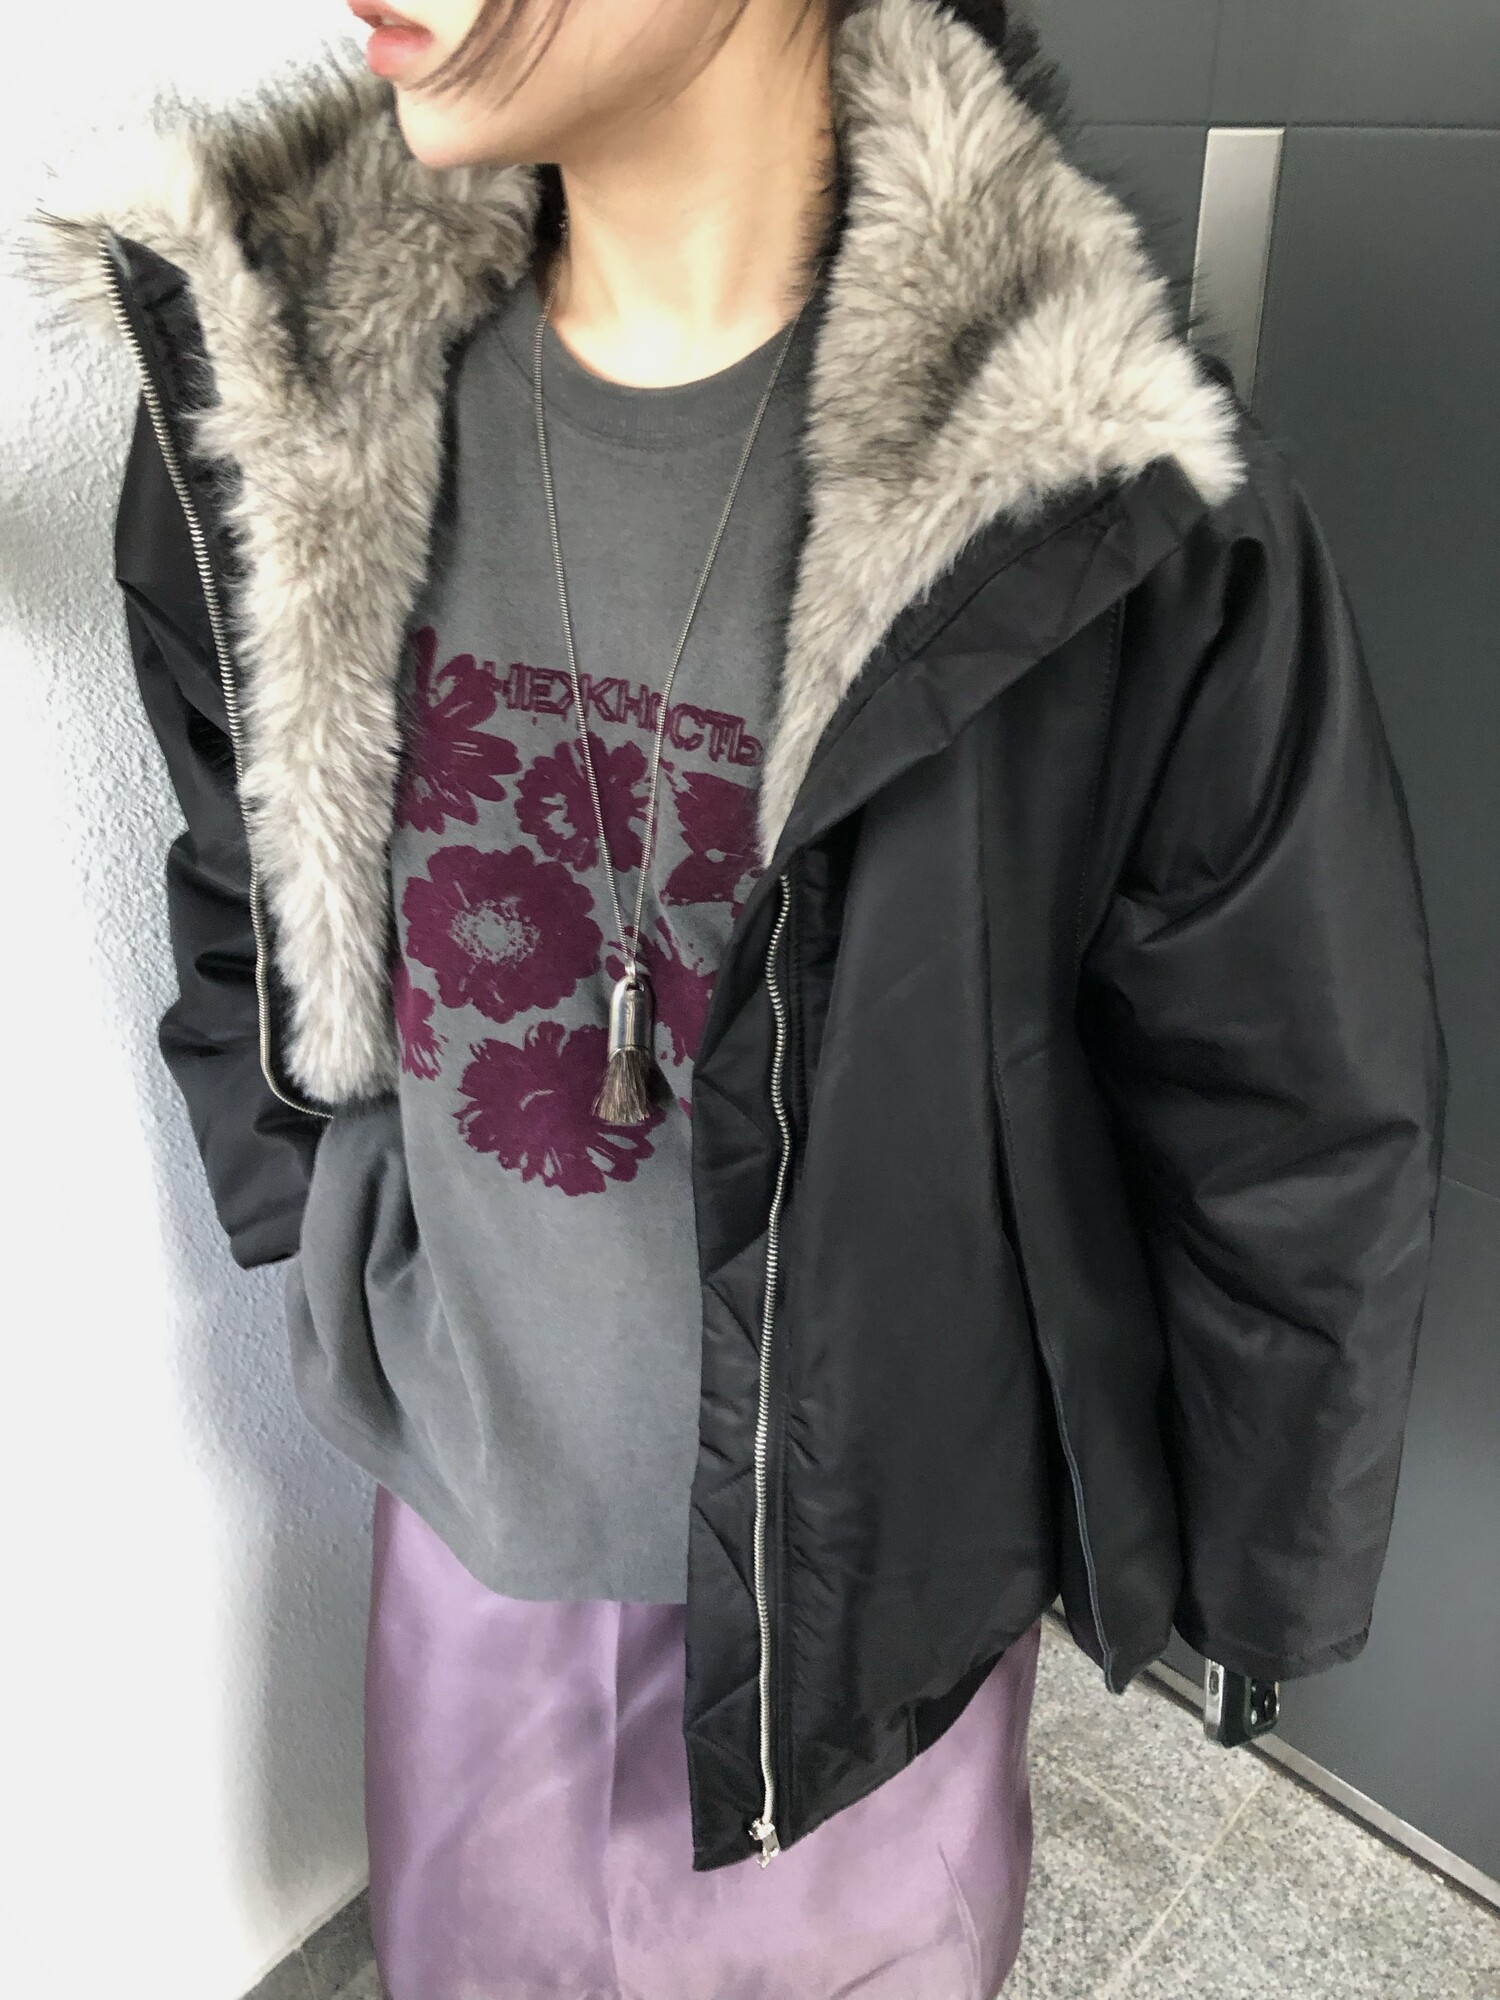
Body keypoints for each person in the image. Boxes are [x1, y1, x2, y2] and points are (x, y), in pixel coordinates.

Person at [26, 0, 1447, 1993]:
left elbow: (1284, 1087)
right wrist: (324, 1224)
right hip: (472, 1535)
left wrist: (1249, 1563)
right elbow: (238, 857)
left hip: (881, 1577)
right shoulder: (279, 389)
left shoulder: (1080, 480)